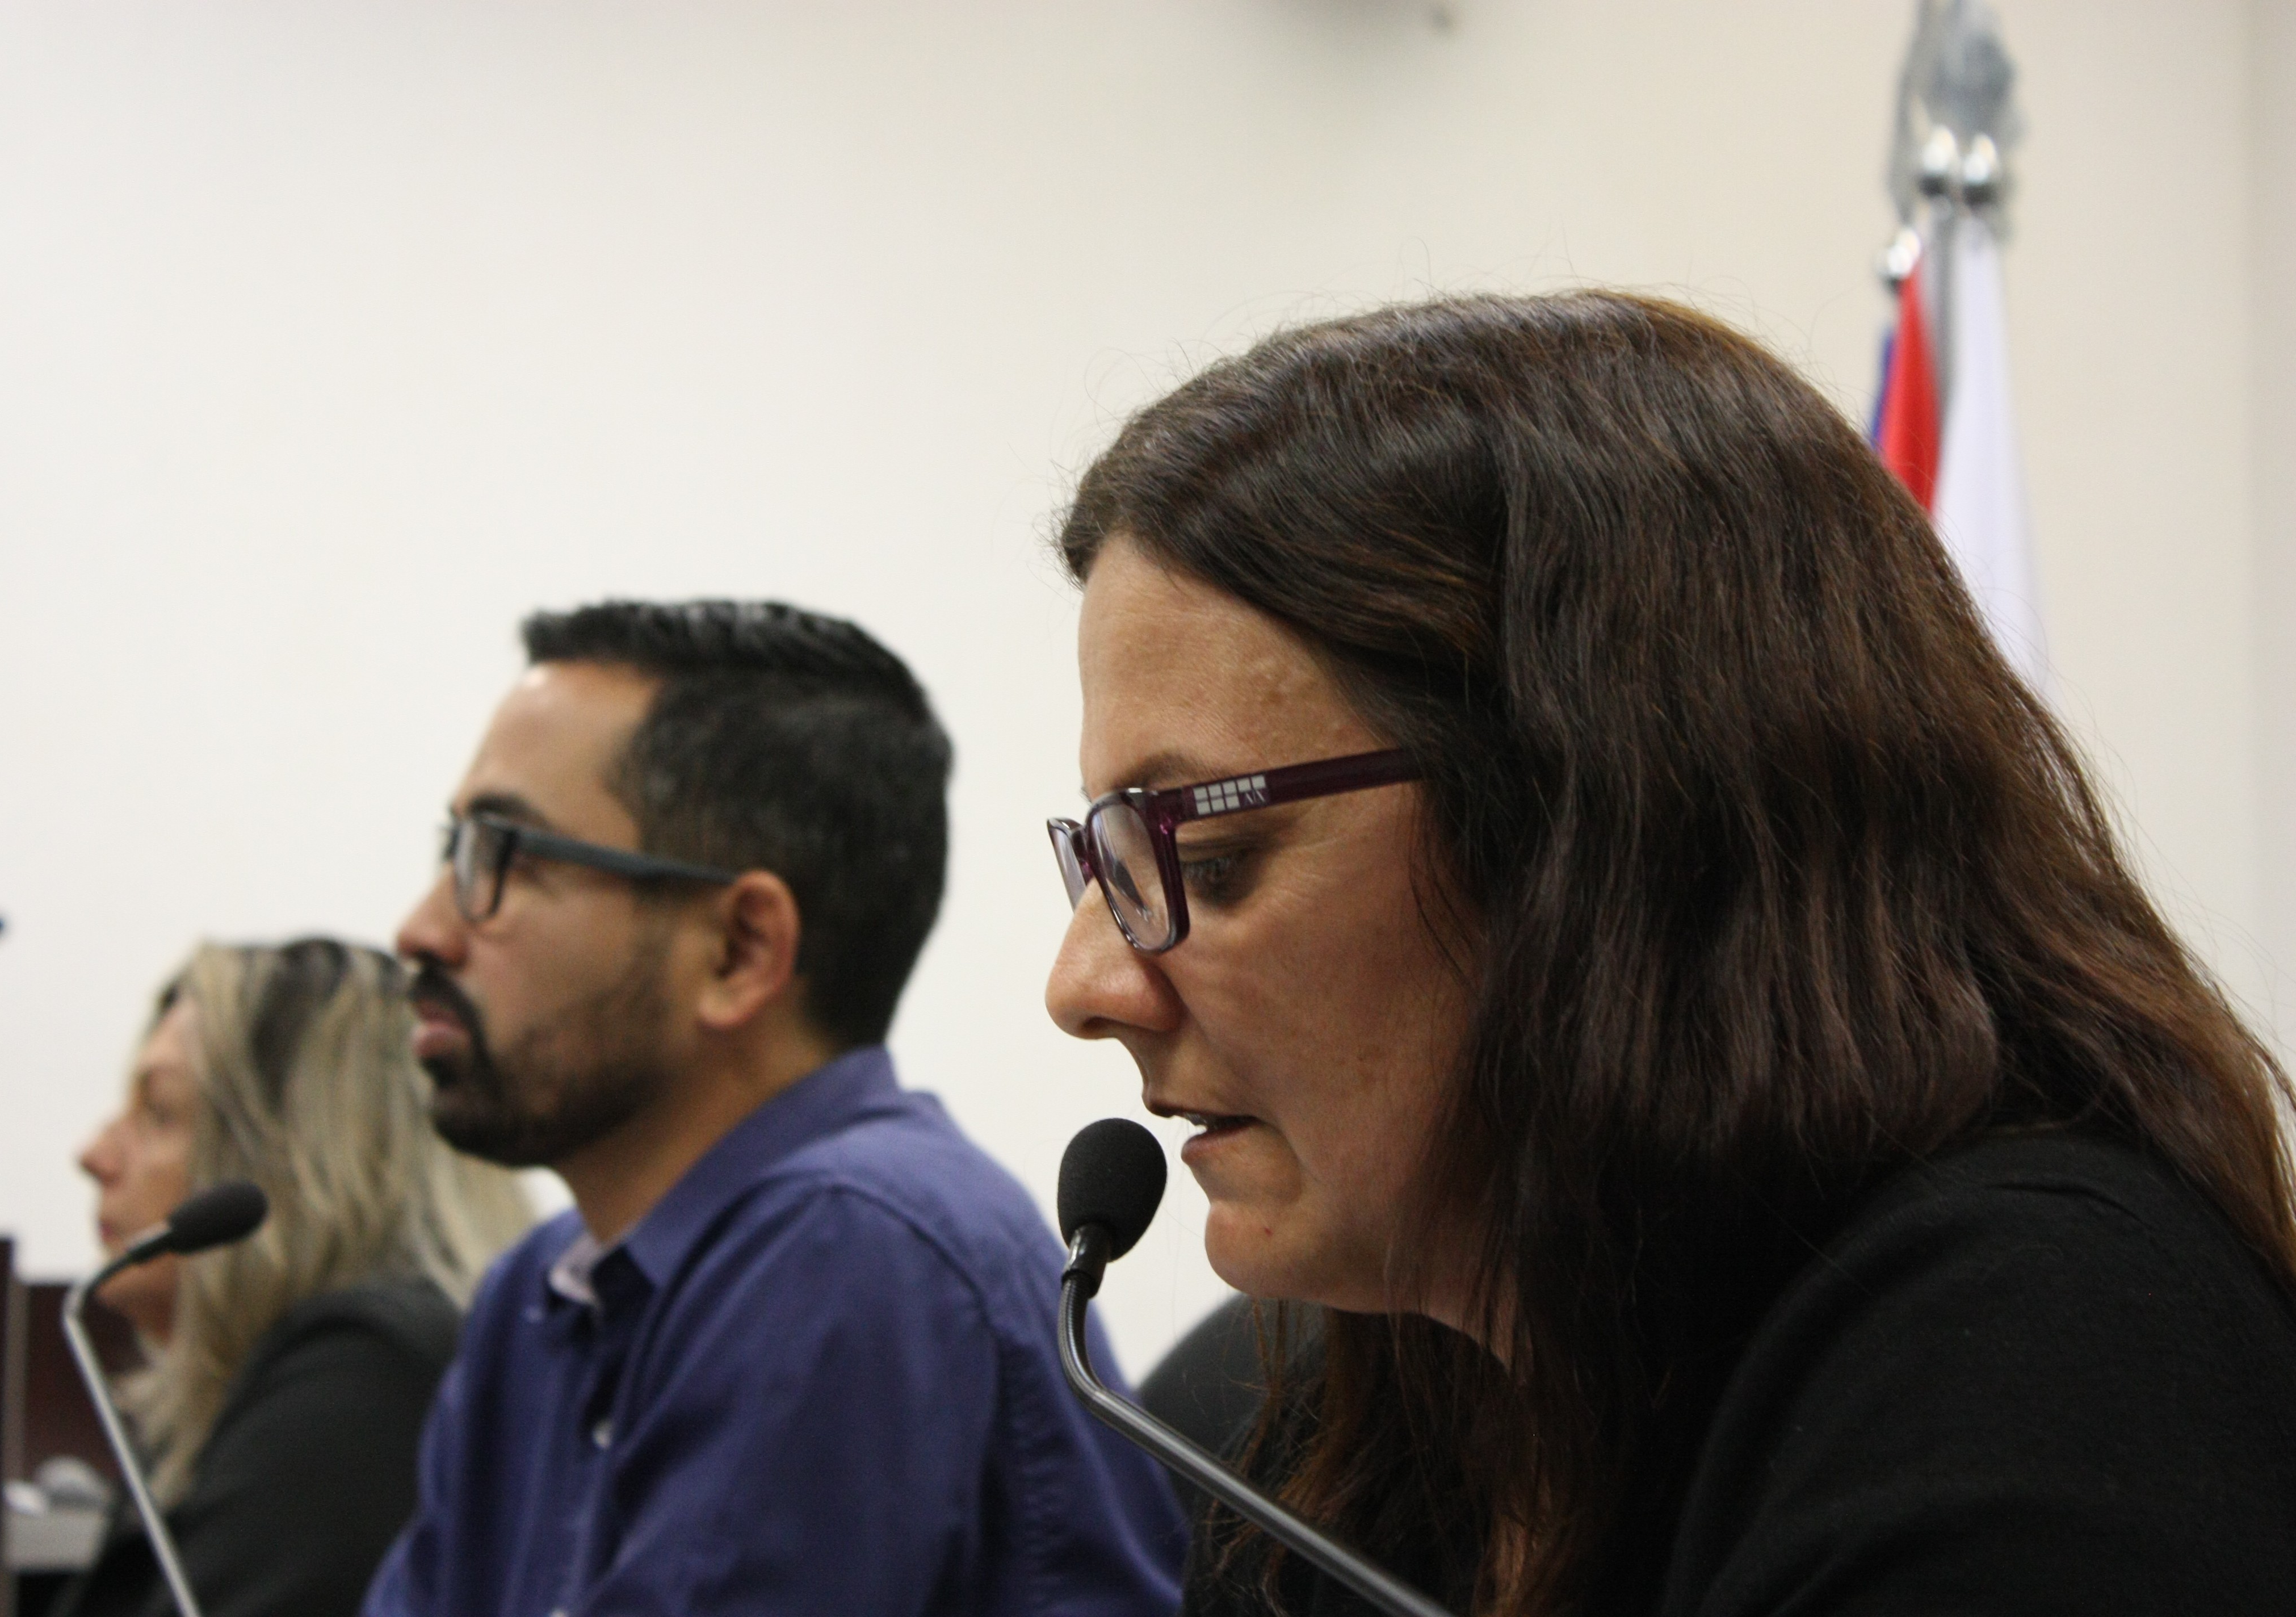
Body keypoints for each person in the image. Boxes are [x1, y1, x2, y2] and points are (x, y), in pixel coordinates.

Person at [1043, 292, 2296, 1616]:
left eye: (1207, 856)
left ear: (1593, 833)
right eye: (1103, 856)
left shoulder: (2041, 1364)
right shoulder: (1364, 1421)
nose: (1085, 984)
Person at [364, 600, 1183, 1617]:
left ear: (739, 950)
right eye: (451, 850)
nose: (420, 930)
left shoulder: (850, 1245)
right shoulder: (537, 1293)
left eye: (504, 856)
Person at [59, 938, 533, 1617]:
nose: (94, 1153)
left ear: (290, 1165)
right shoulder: (230, 1391)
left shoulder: (362, 1379)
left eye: (158, 1113)